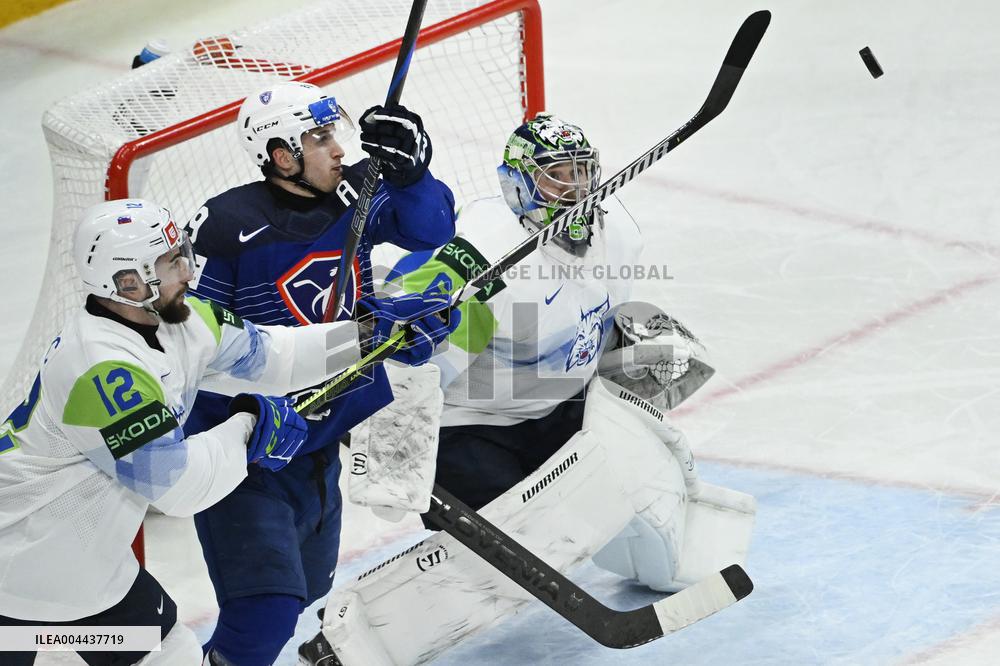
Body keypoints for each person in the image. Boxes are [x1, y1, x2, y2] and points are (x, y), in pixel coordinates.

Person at [0, 198, 367, 664]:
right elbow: (175, 487)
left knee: (169, 654)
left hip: (84, 570)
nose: (187, 271)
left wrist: (366, 336)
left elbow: (274, 356)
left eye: (181, 254)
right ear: (127, 283)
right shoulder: (104, 370)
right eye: (169, 262)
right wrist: (250, 426)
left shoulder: (181, 320)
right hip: (28, 577)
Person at [182, 81, 458, 665]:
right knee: (266, 610)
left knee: (308, 594)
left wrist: (412, 179)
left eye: (335, 133)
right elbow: (196, 343)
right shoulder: (227, 226)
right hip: (246, 450)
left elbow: (430, 228)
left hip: (320, 439)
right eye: (319, 138)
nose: (338, 149)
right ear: (281, 156)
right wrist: (365, 336)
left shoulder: (355, 194)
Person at [395, 112, 643, 512]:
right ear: (517, 185)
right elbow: (414, 371)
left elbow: (600, 324)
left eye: (580, 173)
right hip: (471, 426)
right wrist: (394, 467)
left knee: (634, 486)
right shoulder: (487, 257)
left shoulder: (618, 236)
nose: (574, 190)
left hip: (558, 410)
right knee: (526, 527)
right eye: (555, 176)